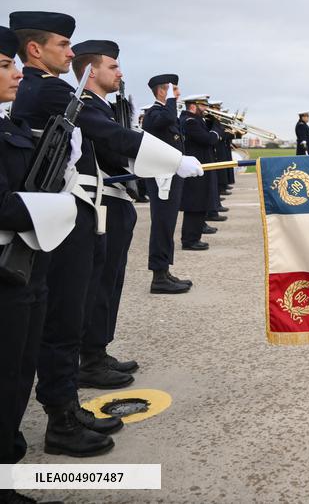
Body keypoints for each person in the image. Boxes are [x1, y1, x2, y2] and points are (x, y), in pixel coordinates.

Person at [10, 11, 202, 456]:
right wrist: (174, 160)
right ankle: (61, 418)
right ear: (35, 49)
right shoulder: (49, 89)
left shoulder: (43, 88)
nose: (70, 53)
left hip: (71, 211)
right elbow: (106, 133)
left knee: (66, 314)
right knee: (63, 318)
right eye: (62, 44)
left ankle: (65, 406)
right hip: (68, 213)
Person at [0, 25, 78, 496]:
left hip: (25, 260)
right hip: (8, 260)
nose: (16, 74)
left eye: (12, 64)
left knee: (18, 370)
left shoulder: (8, 124)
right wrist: (59, 206)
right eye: (4, 66)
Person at [71, 40, 140, 389]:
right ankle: (90, 359)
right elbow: (114, 150)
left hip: (116, 201)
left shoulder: (103, 108)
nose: (120, 73)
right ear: (90, 71)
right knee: (99, 284)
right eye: (112, 66)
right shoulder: (85, 107)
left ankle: (98, 349)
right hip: (103, 203)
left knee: (111, 281)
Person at [142, 76, 194, 293]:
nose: (178, 94)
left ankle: (164, 270)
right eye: (174, 90)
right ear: (162, 92)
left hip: (170, 177)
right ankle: (158, 277)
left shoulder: (164, 113)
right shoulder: (154, 114)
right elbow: (167, 118)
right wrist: (171, 100)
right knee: (162, 224)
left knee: (168, 223)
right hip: (161, 179)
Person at [179, 95, 219, 251]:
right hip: (195, 169)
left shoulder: (195, 120)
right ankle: (189, 240)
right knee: (195, 204)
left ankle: (194, 237)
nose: (206, 109)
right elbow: (208, 139)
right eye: (203, 106)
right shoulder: (190, 122)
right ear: (193, 106)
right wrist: (216, 128)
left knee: (200, 203)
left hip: (199, 167)